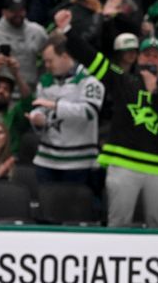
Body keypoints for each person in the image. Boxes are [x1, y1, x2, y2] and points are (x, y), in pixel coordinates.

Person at [55, 9, 158, 227]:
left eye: (156, 56)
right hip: (123, 165)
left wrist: (155, 93)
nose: (151, 59)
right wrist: (68, 31)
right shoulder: (122, 80)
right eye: (147, 54)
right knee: (118, 224)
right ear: (138, 57)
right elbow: (92, 59)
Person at [28, 33, 104, 185]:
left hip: (79, 161)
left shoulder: (89, 79)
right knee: (47, 206)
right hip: (46, 159)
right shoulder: (45, 81)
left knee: (75, 207)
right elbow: (39, 108)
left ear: (65, 56)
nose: (47, 66)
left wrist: (56, 106)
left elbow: (89, 111)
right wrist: (37, 119)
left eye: (50, 61)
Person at [0, 0, 48, 92]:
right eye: (13, 11)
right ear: (4, 12)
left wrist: (41, 78)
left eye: (21, 10)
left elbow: (49, 57)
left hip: (30, 89)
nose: (18, 14)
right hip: (0, 92)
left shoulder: (38, 32)